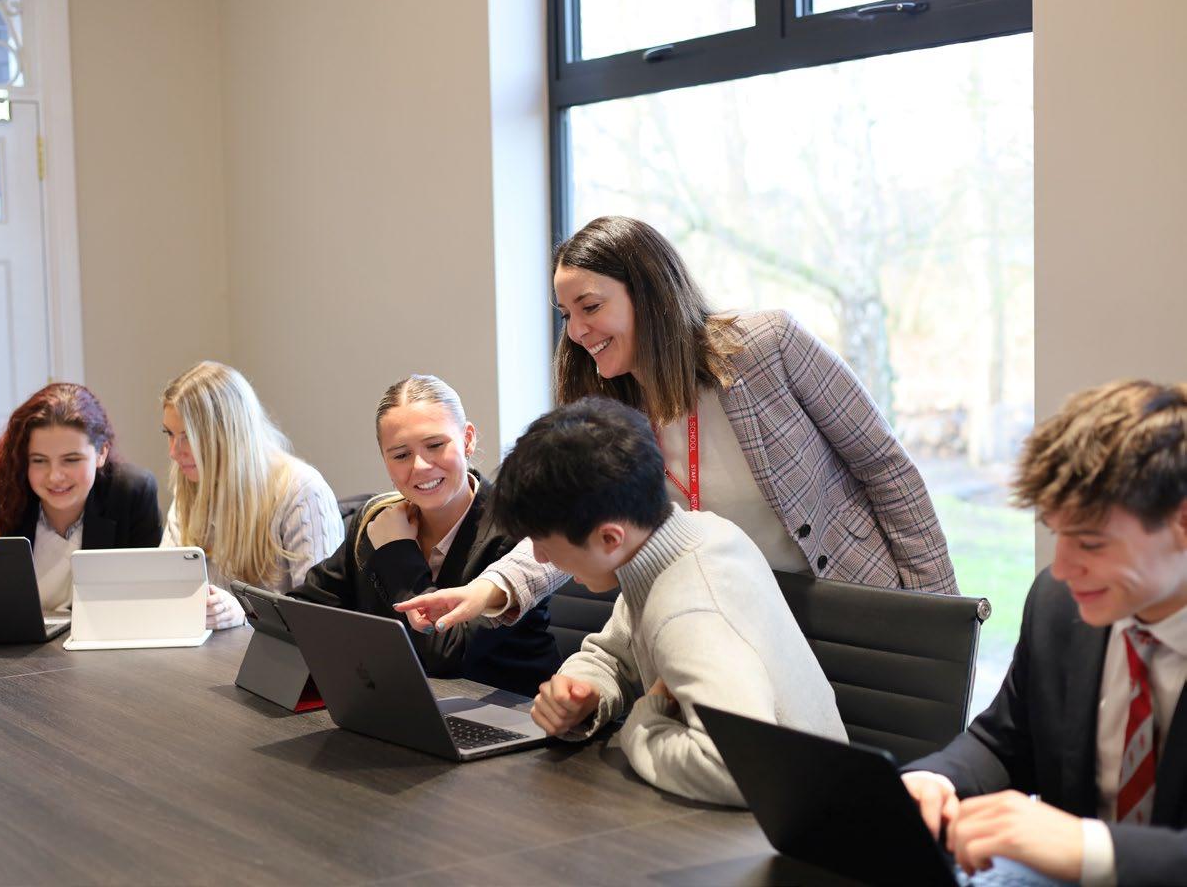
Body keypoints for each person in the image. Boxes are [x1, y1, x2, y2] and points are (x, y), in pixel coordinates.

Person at [398, 215, 955, 633]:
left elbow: (884, 468)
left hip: (847, 603)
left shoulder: (767, 347)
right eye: (567, 315)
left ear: (648, 293)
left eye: (590, 307)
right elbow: (572, 520)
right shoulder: (610, 411)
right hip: (736, 621)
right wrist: (490, 587)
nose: (576, 332)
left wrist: (941, 617)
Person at [901, 380, 1187, 885]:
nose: (1062, 568)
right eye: (1057, 534)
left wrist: (1088, 848)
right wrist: (937, 780)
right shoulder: (1060, 607)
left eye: (1091, 543)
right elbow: (1004, 743)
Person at [493, 396, 845, 805]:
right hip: (793, 798)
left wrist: (645, 717)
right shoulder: (686, 538)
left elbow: (740, 768)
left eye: (543, 542)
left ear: (610, 537)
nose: (539, 557)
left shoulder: (691, 609)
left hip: (799, 817)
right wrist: (583, 691)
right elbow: (616, 652)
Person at [289, 374, 559, 696]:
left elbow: (443, 654)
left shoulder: (516, 531)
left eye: (435, 445)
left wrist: (398, 552)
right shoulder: (375, 520)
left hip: (507, 713)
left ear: (467, 439)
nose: (419, 466)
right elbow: (300, 611)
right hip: (399, 705)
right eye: (400, 455)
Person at [0, 382, 160, 612]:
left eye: (71, 460)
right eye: (39, 460)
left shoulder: (131, 493)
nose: (55, 476)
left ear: (101, 453)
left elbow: (147, 598)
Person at [160, 361, 343, 630]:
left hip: (278, 654)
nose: (174, 452)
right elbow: (166, 588)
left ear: (228, 434)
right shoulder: (189, 485)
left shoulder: (302, 491)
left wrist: (245, 612)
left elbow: (320, 618)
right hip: (210, 650)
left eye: (188, 436)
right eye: (169, 434)